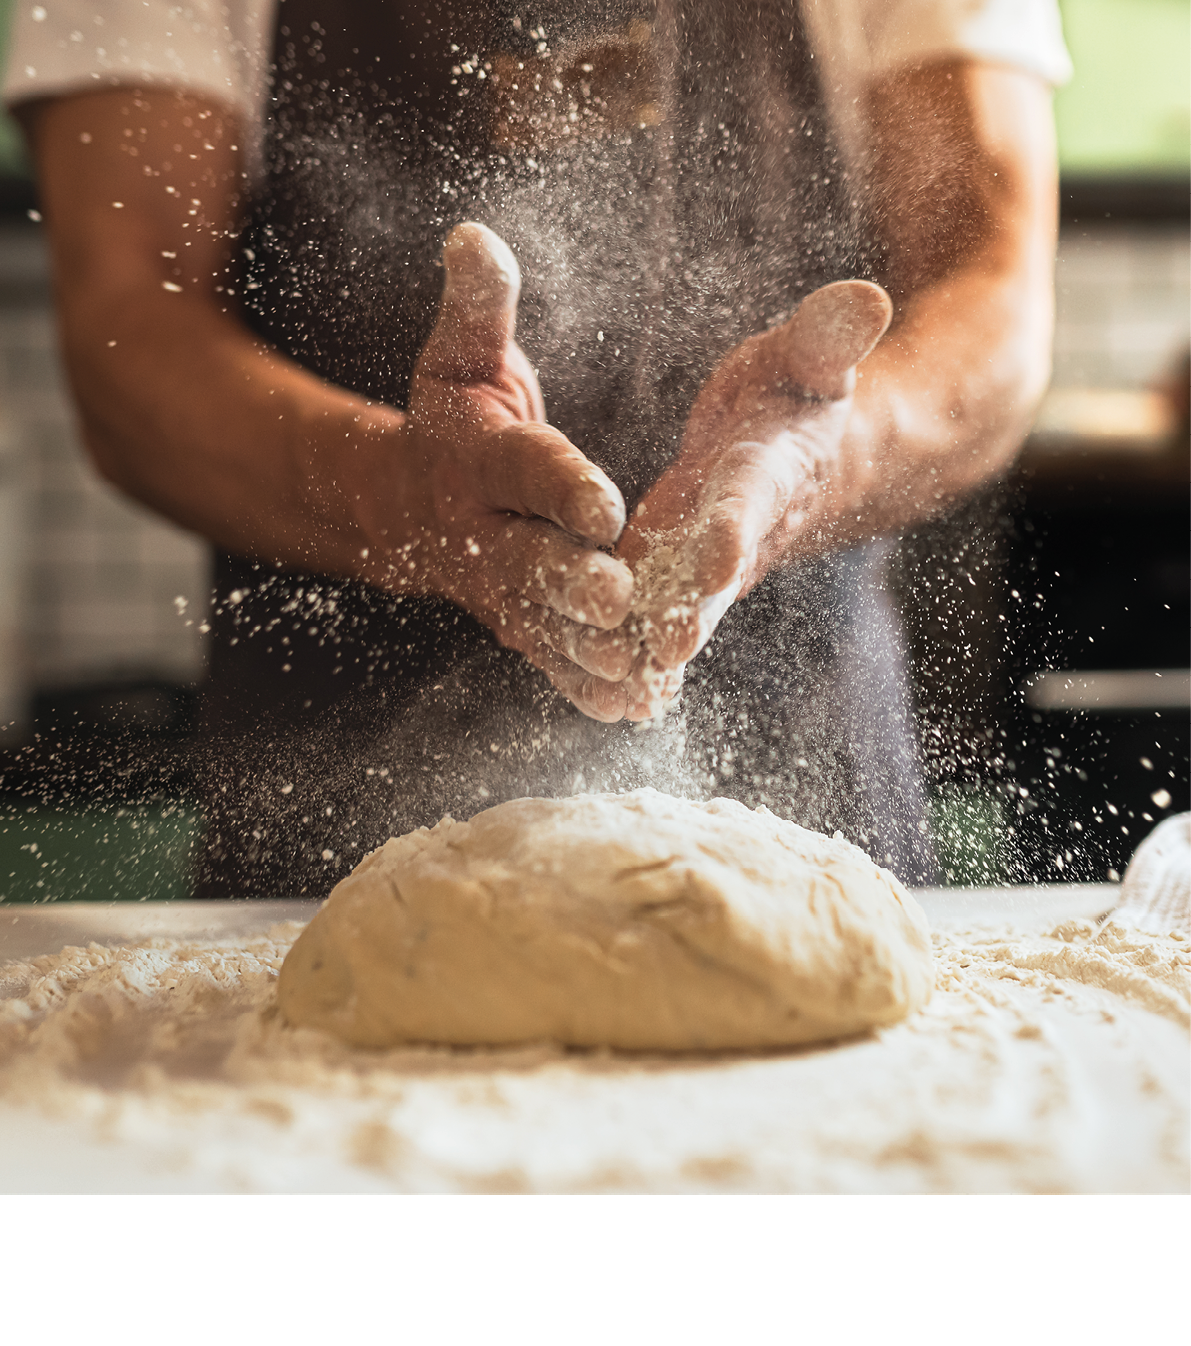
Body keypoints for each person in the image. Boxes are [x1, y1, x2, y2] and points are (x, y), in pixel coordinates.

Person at [3, 1, 1070, 896]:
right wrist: (399, 498)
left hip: (812, 807)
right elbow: (128, 333)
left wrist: (816, 457)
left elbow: (994, 296)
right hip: (327, 840)